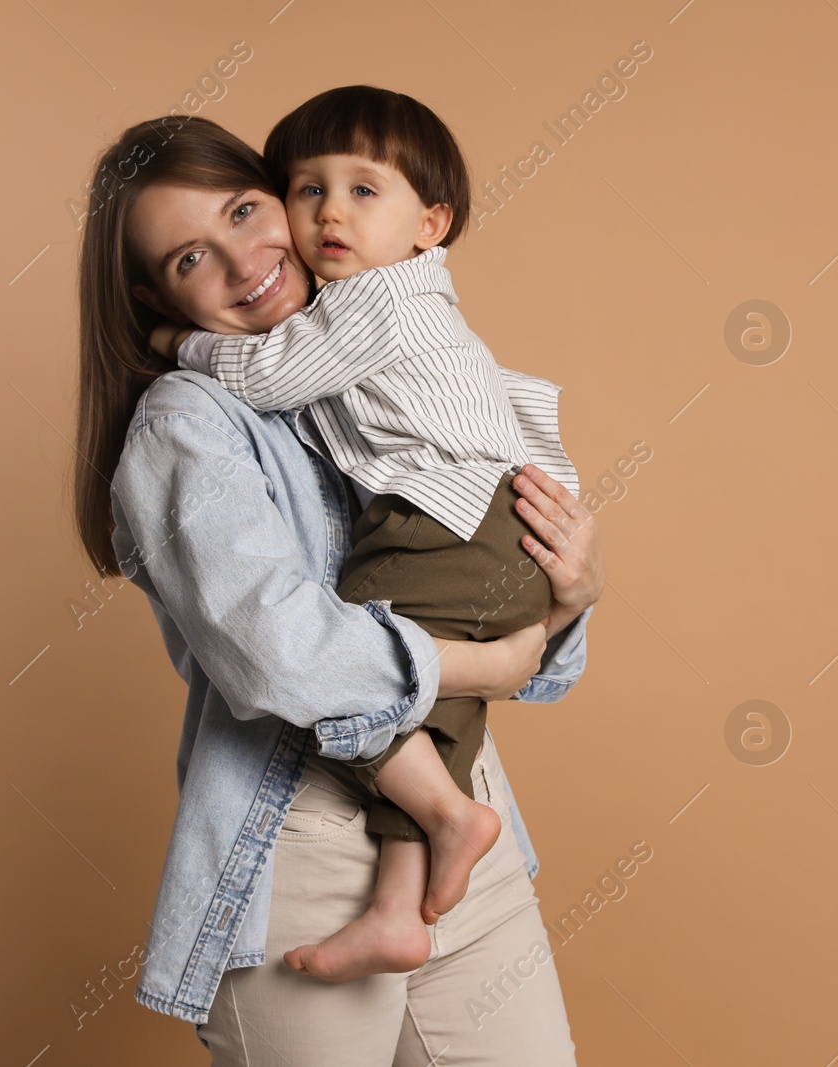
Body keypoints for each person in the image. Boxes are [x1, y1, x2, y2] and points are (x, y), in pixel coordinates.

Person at [72, 113, 602, 1064]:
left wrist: (570, 593)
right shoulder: (184, 424)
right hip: (303, 845)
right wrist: (493, 659)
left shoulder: (356, 356)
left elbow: (519, 640)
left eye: (244, 210)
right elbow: (281, 653)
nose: (243, 263)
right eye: (194, 257)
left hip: (465, 833)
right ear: (156, 294)